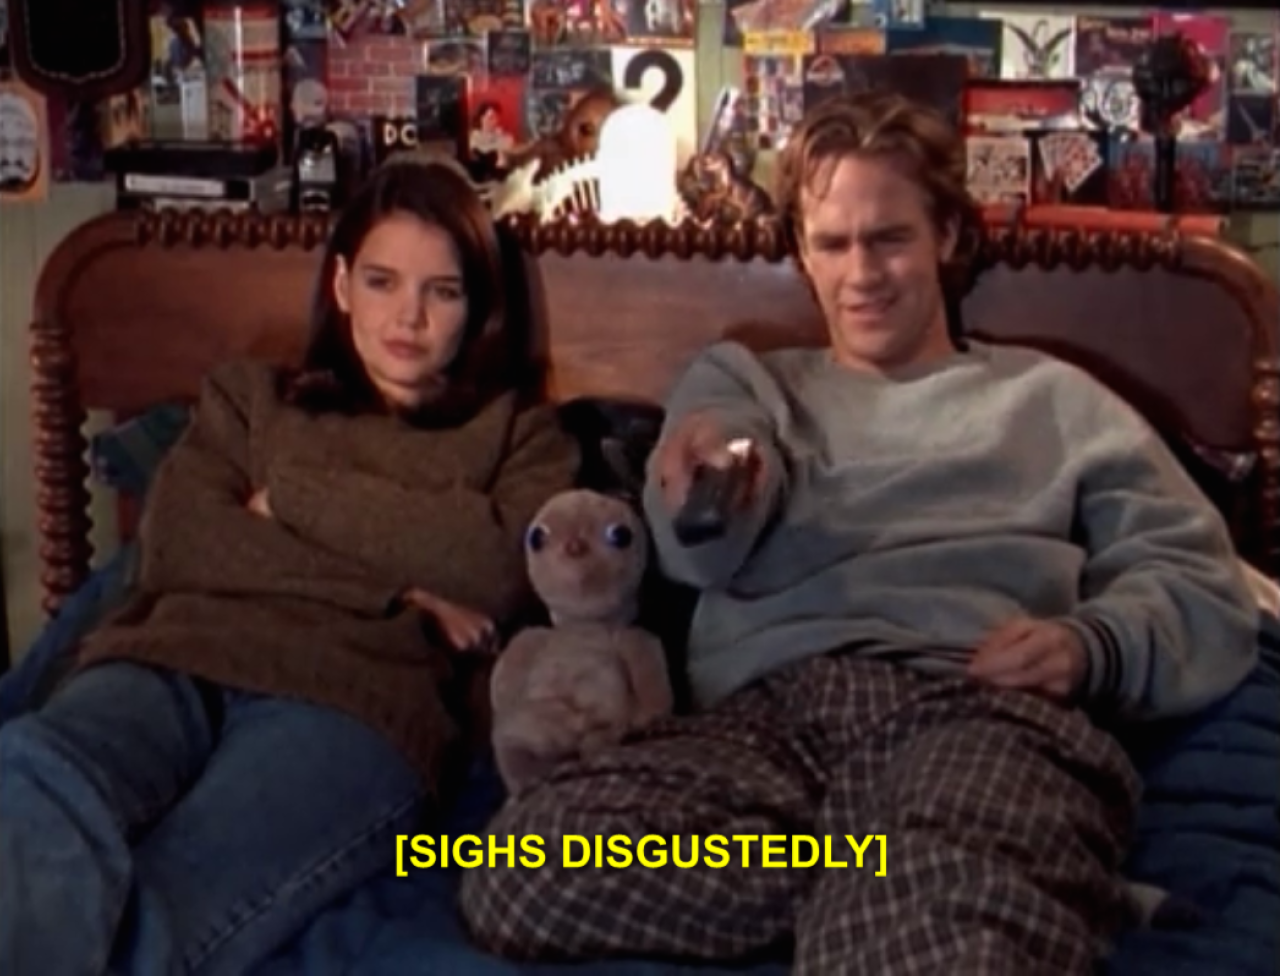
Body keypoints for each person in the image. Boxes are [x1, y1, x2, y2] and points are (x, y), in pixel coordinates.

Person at [457, 91, 1259, 973]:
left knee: (910, 939)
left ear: (946, 236)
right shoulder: (748, 384)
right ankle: (976, 878)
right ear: (802, 252)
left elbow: (1205, 583)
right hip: (768, 722)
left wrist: (1090, 645)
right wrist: (711, 483)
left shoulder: (1052, 400)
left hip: (972, 708)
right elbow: (695, 547)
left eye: (888, 239)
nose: (861, 274)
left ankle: (950, 880)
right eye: (833, 244)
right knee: (522, 871)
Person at [0, 158, 579, 975]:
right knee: (36, 779)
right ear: (342, 286)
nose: (407, 316)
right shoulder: (251, 399)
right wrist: (400, 594)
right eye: (381, 281)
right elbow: (180, 541)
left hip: (350, 702)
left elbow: (494, 568)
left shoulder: (521, 436)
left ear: (476, 307)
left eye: (442, 291)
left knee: (179, 899)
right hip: (171, 656)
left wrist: (291, 497)